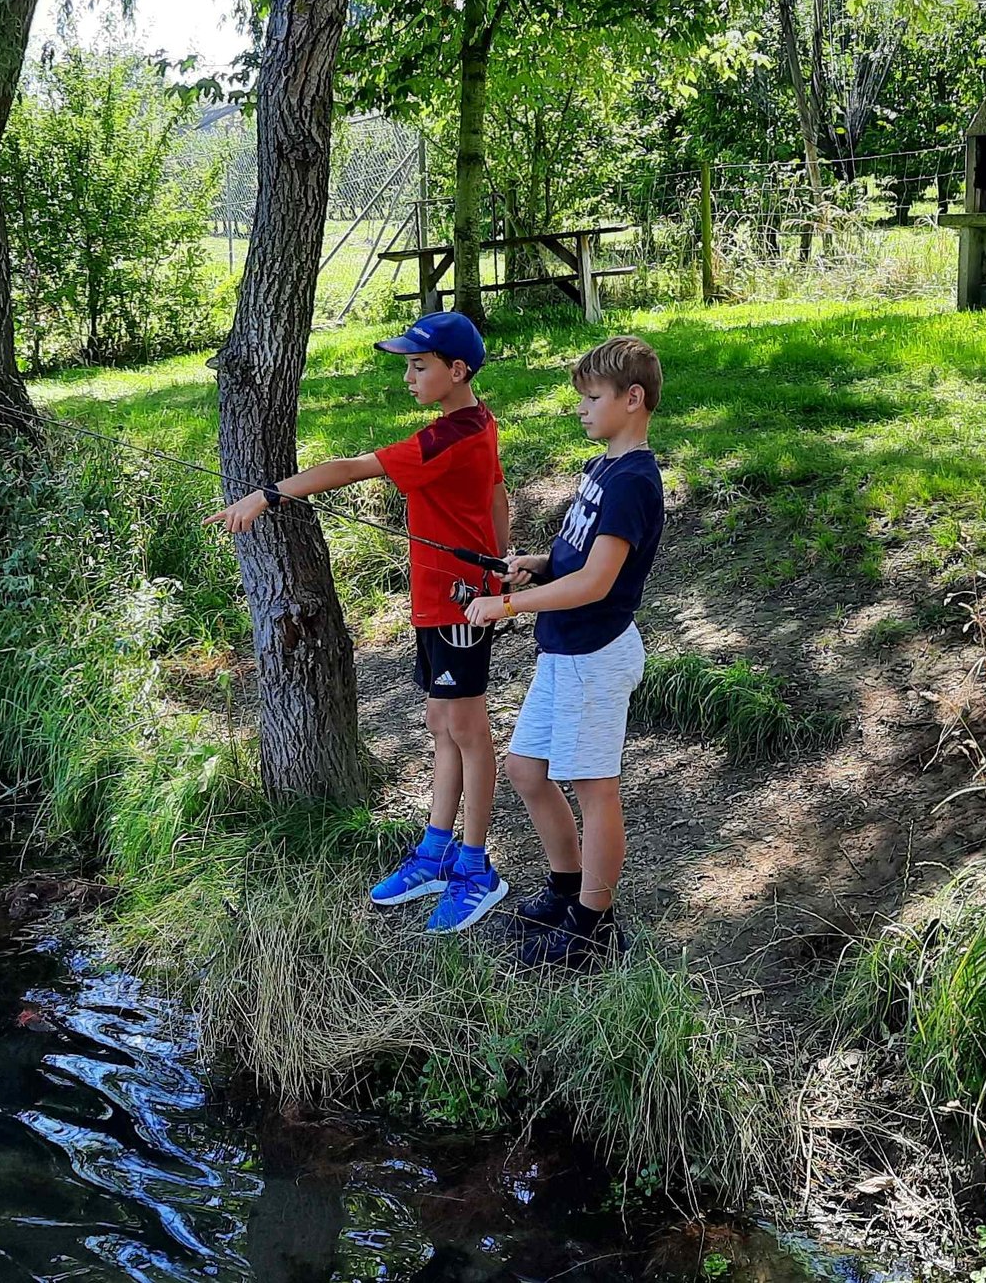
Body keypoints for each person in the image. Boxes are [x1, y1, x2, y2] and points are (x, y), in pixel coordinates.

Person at [210, 310, 513, 933]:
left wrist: (266, 496)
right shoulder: (475, 426)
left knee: (468, 730)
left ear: (457, 372)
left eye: (418, 365)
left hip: (457, 604)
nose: (408, 375)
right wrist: (500, 562)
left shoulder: (448, 438)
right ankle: (436, 849)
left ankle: (477, 866)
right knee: (441, 722)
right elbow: (495, 496)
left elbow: (351, 467)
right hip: (442, 599)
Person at [461, 335, 664, 968]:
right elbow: (578, 559)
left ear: (633, 400)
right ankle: (567, 889)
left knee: (593, 787)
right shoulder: (603, 467)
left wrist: (509, 604)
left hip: (595, 654)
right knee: (527, 769)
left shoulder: (634, 479)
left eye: (592, 398)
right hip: (565, 649)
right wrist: (537, 564)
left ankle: (593, 927)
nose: (581, 409)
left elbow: (598, 583)